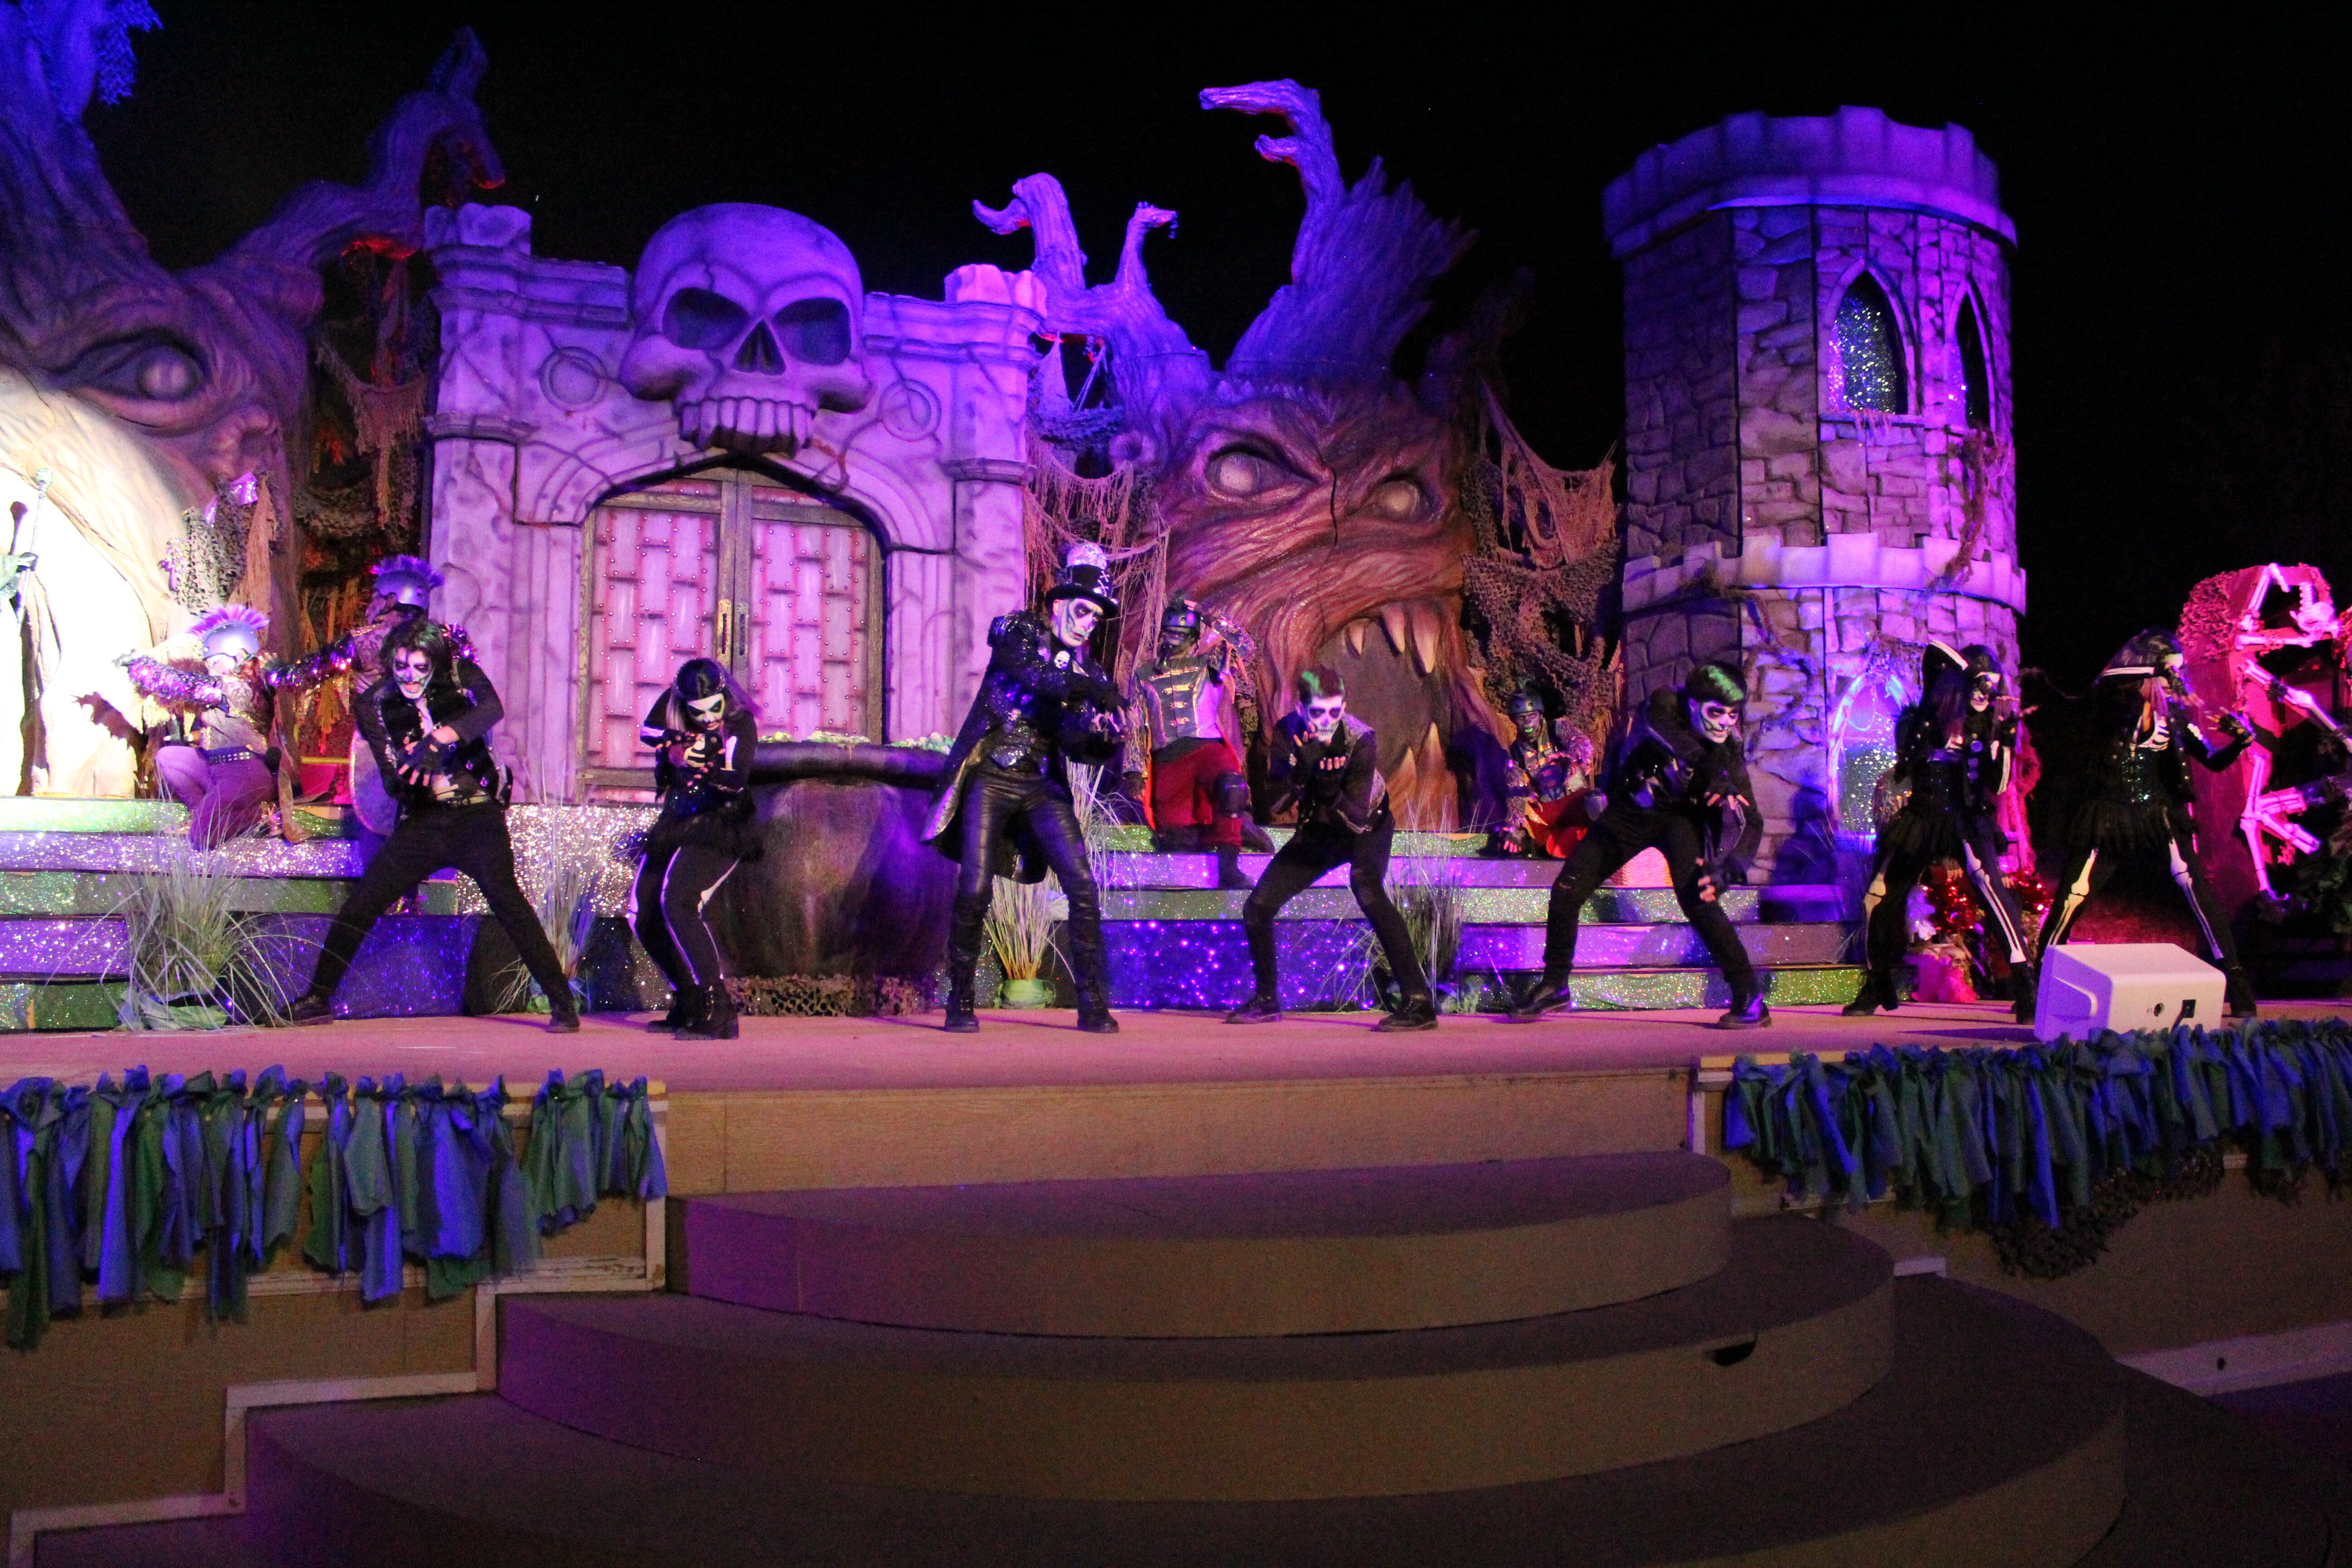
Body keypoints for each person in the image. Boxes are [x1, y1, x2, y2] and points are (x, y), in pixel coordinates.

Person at [287, 618, 578, 1030]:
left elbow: (491, 709)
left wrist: (441, 739)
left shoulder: (460, 676)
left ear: (435, 664)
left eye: (420, 668)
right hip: (425, 821)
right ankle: (318, 997)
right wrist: (409, 769)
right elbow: (390, 779)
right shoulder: (376, 702)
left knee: (508, 903)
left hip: (477, 818)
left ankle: (561, 1001)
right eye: (401, 666)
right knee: (364, 902)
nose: (409, 677)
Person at [924, 543, 1127, 1034]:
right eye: (1082, 611)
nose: (1087, 625)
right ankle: (960, 1001)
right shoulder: (1018, 632)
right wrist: (1090, 689)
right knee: (975, 886)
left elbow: (1075, 743)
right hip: (991, 775)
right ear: (1059, 604)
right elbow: (1038, 678)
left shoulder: (1086, 673)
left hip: (1041, 785)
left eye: (1096, 619)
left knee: (1082, 885)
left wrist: (1103, 735)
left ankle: (1093, 1006)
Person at [1508, 662, 1769, 1029]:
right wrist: (1708, 768)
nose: (1725, 723)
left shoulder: (1727, 755)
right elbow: (1659, 727)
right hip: (1631, 812)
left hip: (1680, 822)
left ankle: (1749, 996)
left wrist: (1733, 868)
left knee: (1700, 901)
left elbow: (1753, 821)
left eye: (1733, 715)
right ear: (1694, 705)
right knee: (1567, 888)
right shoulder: (1666, 705)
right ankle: (1555, 985)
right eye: (1716, 713)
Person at [2034, 628, 2259, 1019]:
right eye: (2168, 671)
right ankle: (2038, 985)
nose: (2175, 679)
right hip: (2109, 814)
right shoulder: (2112, 708)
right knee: (2073, 894)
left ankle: (2238, 985)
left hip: (2158, 814)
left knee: (2196, 888)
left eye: (2178, 671)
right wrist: (2148, 680)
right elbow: (2098, 698)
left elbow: (2211, 760)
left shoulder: (2175, 718)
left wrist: (2240, 741)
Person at [1225, 666, 1436, 1032]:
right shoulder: (1287, 731)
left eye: (1334, 712)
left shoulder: (1360, 740)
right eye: (1317, 712)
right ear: (1301, 708)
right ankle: (1266, 998)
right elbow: (1274, 805)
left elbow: (1356, 822)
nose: (1326, 721)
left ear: (1345, 708)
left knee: (1367, 888)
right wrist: (1300, 775)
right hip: (1320, 829)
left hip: (1367, 826)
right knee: (1258, 906)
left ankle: (1418, 1002)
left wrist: (1328, 788)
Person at [1845, 644, 2036, 1019]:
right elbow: (1907, 762)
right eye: (1981, 684)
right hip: (1922, 816)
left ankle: (2025, 980)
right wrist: (1941, 721)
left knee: (1989, 887)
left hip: (1964, 818)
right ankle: (1876, 982)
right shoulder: (1923, 722)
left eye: (1993, 686)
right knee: (1877, 898)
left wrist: (2004, 743)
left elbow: (1998, 786)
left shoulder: (1988, 725)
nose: (1987, 694)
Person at [268, 554, 457, 847]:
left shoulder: (366, 639)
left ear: (391, 600)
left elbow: (306, 673)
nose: (371, 605)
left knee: (380, 828)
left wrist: (276, 672)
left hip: (380, 744)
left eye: (376, 597)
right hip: (436, 738)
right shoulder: (446, 639)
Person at [634, 657, 761, 1040]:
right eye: (697, 711)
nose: (707, 718)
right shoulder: (675, 710)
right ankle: (689, 999)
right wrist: (675, 746)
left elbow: (737, 779)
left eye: (713, 708)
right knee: (643, 912)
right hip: (677, 820)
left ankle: (718, 1010)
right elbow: (648, 731)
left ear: (725, 698)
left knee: (679, 901)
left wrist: (704, 766)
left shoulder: (739, 722)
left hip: (721, 824)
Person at [1123, 596, 1271, 888]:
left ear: (1193, 638)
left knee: (1231, 788)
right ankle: (1238, 828)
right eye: (1171, 632)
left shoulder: (1209, 665)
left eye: (1183, 633)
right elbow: (1135, 723)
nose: (1175, 638)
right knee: (1177, 841)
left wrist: (1207, 614)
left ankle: (1229, 870)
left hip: (1208, 750)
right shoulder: (1144, 674)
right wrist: (1133, 770)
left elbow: (1246, 646)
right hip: (1169, 758)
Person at [121, 604, 280, 848]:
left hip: (243, 774)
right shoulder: (225, 685)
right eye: (208, 663)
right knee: (169, 757)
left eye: (215, 661)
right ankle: (202, 812)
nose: (210, 669)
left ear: (238, 656)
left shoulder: (238, 687)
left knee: (201, 839)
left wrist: (141, 665)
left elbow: (182, 684)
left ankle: (257, 818)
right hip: (216, 769)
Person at [1494, 685, 1598, 859]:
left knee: (1596, 801)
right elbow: (1516, 791)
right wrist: (1516, 826)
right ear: (1514, 721)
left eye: (1532, 716)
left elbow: (1581, 743)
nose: (1528, 723)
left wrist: (1571, 757)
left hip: (1575, 800)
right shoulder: (1515, 753)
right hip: (1548, 809)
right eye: (1522, 718)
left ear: (1540, 715)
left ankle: (1604, 850)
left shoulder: (1557, 729)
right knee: (1514, 837)